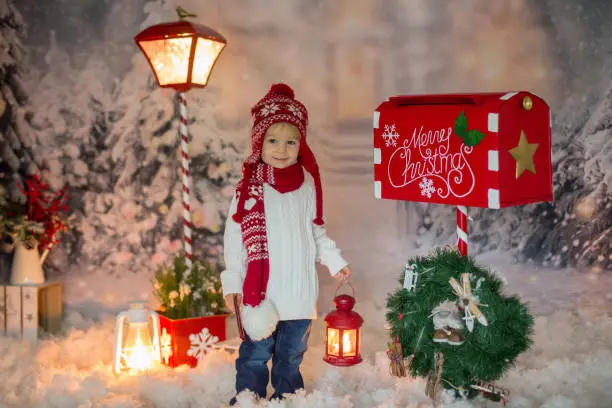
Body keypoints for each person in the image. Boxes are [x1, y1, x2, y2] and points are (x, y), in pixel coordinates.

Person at [221, 83, 351, 405]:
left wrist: (334, 260)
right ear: (259, 143)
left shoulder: (307, 185)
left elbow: (316, 229)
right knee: (255, 352)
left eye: (291, 142)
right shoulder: (249, 189)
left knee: (291, 354)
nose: (282, 149)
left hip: (299, 290)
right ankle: (249, 395)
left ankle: (287, 396)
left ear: (301, 144)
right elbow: (234, 239)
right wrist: (232, 283)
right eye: (273, 140)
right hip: (261, 293)